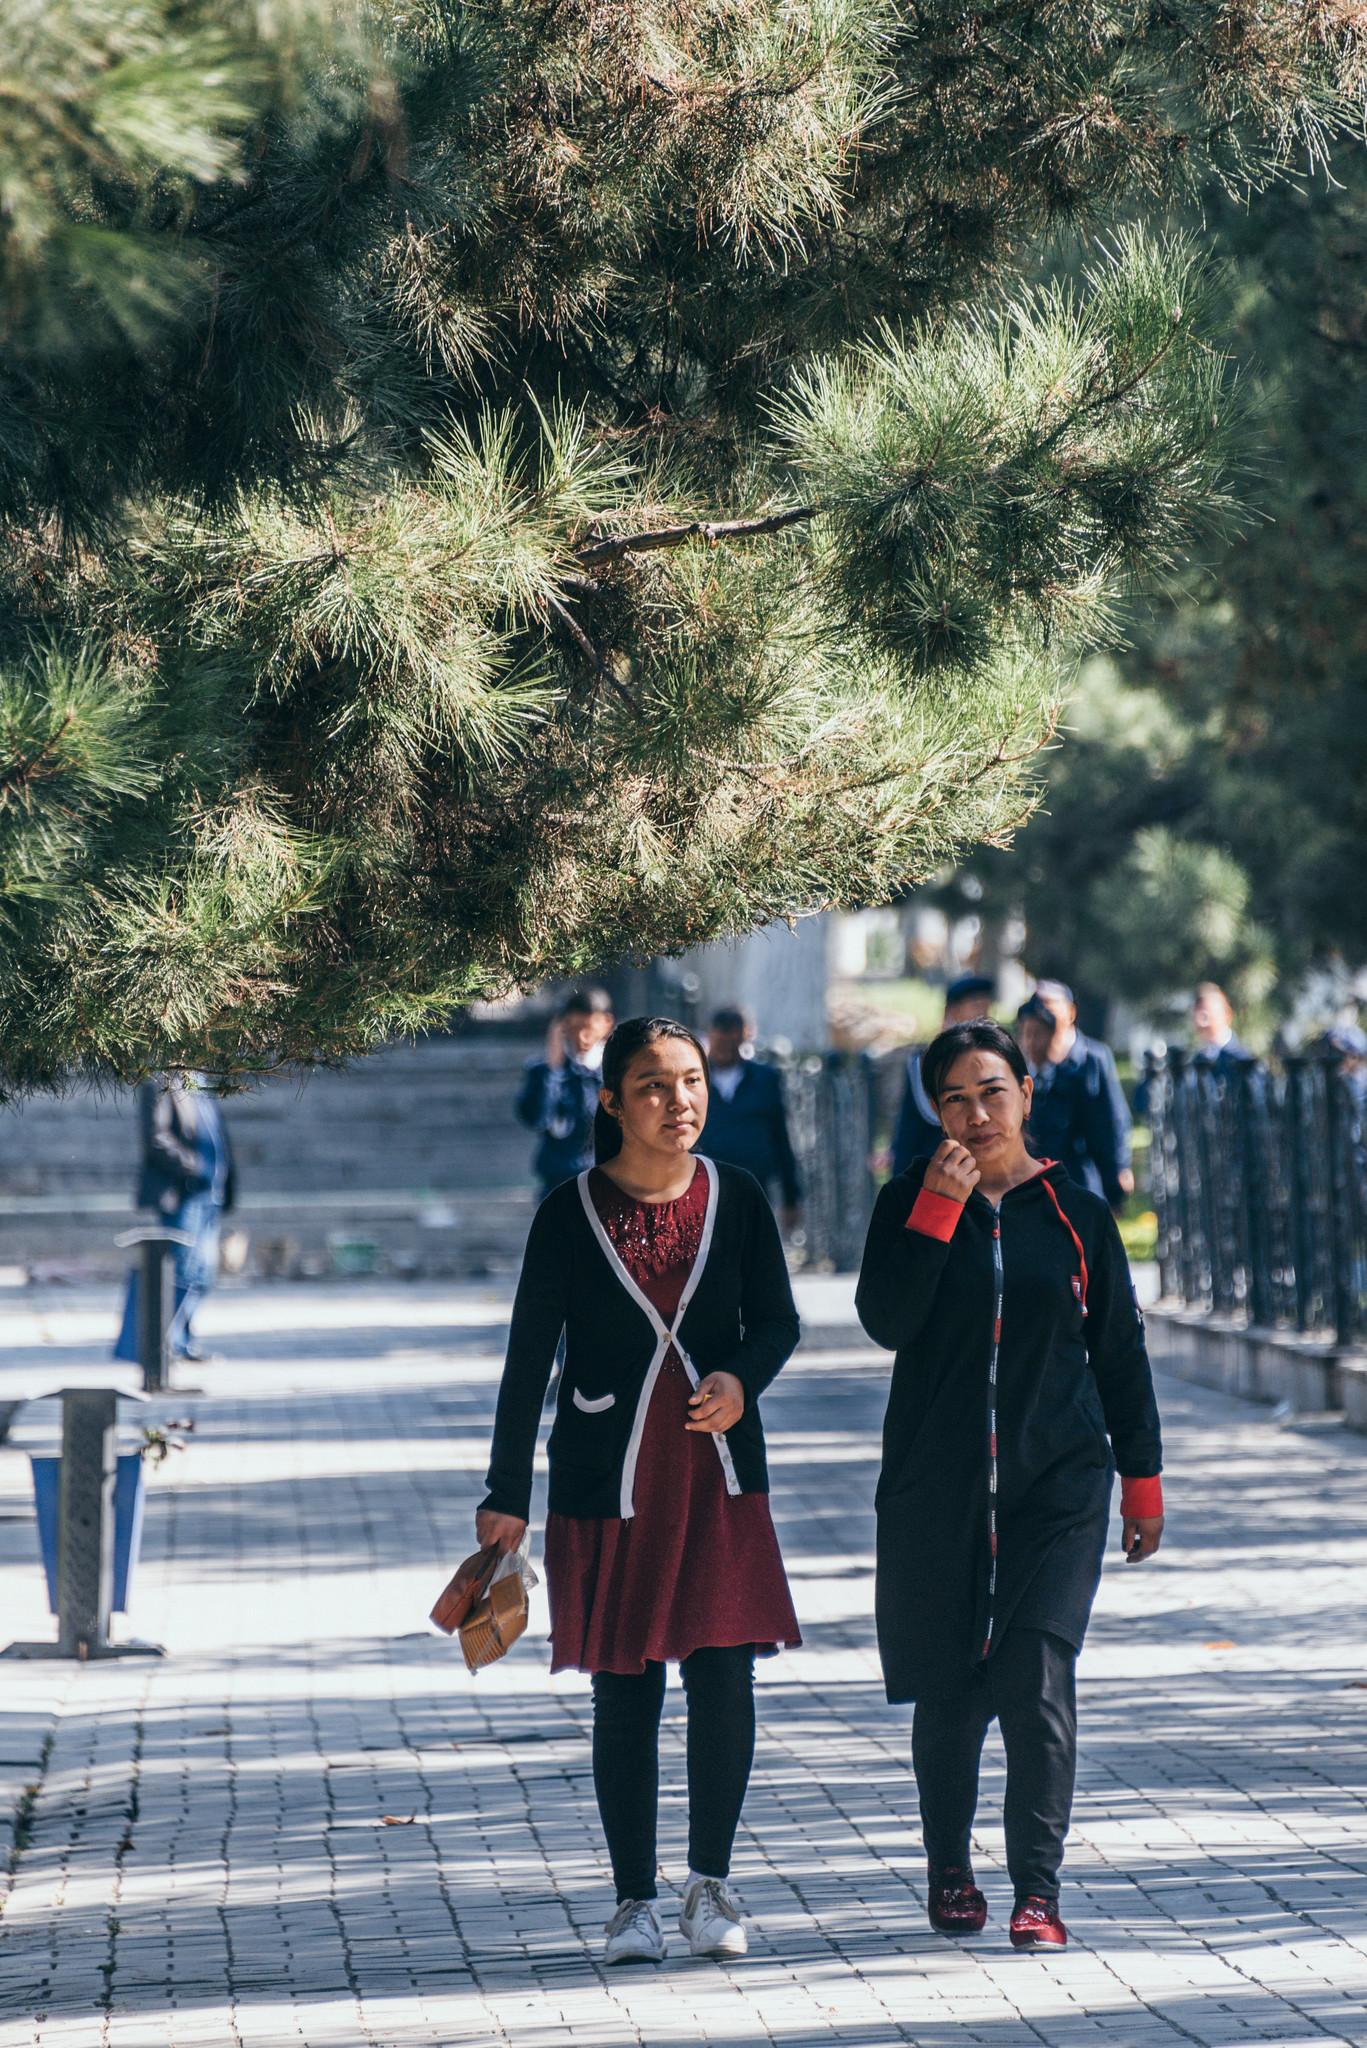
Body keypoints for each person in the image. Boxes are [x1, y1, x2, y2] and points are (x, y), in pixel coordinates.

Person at [476, 1017, 802, 1966]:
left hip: (716, 1478)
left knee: (722, 1678)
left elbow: (776, 1324)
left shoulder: (735, 1198)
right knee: (626, 1693)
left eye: (691, 1081)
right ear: (612, 1100)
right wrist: (506, 1488)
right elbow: (526, 1358)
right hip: (607, 1483)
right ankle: (633, 1902)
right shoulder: (567, 1212)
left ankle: (709, 1885)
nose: (679, 1101)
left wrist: (741, 1379)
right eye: (654, 1085)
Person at [855, 1020, 1163, 1951]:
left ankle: (1038, 1892)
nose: (975, 1113)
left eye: (992, 1091)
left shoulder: (1075, 1213)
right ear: (933, 1110)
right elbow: (886, 1321)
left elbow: (1119, 1350)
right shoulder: (907, 1200)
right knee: (949, 1690)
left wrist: (1141, 1481)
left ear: (1026, 1094)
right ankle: (949, 1867)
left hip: (1059, 1487)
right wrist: (936, 1217)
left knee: (1035, 1678)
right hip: (937, 1489)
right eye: (953, 1098)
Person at [119, 1073, 235, 1362]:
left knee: (201, 1274)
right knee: (179, 1270)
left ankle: (180, 1341)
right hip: (184, 1193)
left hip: (210, 1195)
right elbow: (156, 1138)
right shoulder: (160, 1081)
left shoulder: (202, 1082)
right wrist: (195, 1167)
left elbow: (217, 1135)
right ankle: (159, 1347)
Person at [1016, 981, 1134, 1209]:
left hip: (1082, 1173)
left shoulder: (1092, 1058)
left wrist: (1119, 1168)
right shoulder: (1029, 1064)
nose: (1043, 1010)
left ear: (1070, 1011)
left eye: (1050, 1004)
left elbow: (1113, 1119)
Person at [698, 1005, 803, 1231]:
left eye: (731, 1041)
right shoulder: (694, 1079)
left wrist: (790, 1196)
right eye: (720, 1040)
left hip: (755, 1184)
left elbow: (780, 1136)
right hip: (704, 1186)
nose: (725, 1048)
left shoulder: (765, 1079)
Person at [890, 975, 996, 1176]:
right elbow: (909, 1134)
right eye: (975, 1006)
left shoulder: (995, 1059)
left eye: (985, 1007)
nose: (983, 1015)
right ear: (952, 1011)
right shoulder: (928, 1063)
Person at [515, 988, 615, 1200]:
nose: (581, 1036)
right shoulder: (544, 1071)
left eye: (588, 1027)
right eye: (574, 1027)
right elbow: (537, 1118)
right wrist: (553, 1070)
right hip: (558, 1182)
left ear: (606, 1024)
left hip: (606, 1181)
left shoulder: (615, 1071)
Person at [1191, 983, 1252, 1074]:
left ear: (1226, 1015)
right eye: (1197, 1014)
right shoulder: (1195, 1062)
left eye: (1205, 1015)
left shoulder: (1242, 1060)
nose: (1202, 1023)